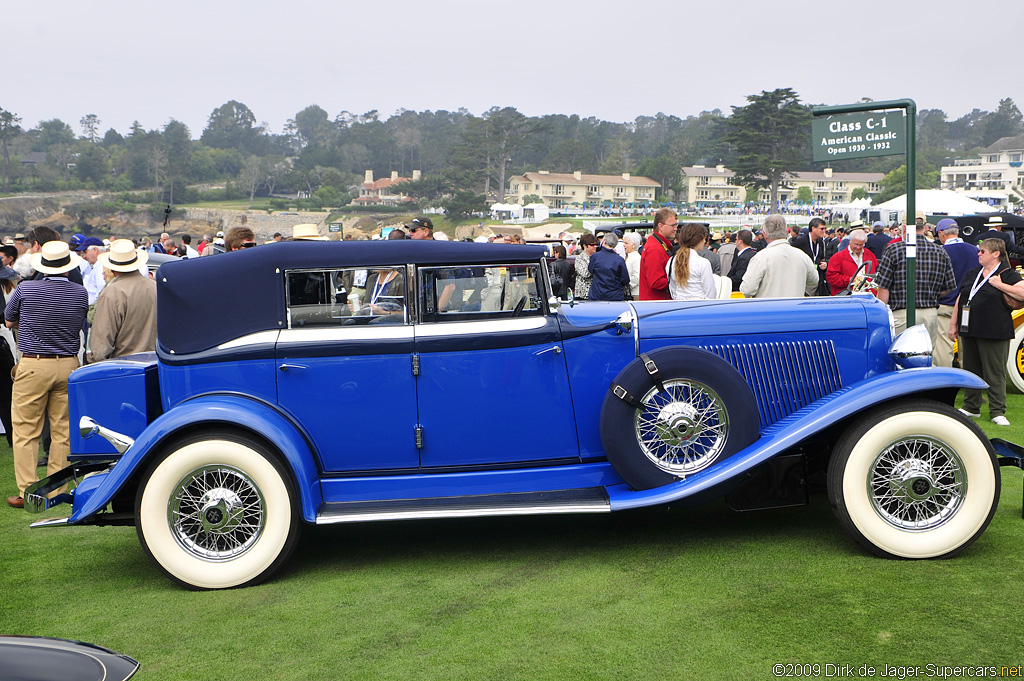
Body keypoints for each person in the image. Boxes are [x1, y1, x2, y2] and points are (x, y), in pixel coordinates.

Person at [5, 240, 89, 509]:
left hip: (34, 363)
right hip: (67, 363)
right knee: (63, 431)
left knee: (26, 430)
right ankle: (55, 490)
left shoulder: (26, 288)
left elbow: (9, 320)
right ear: (67, 266)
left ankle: (28, 490)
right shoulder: (80, 293)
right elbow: (78, 322)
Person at [950, 238, 1024, 426]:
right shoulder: (973, 272)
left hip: (994, 330)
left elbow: (1022, 293)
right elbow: (961, 298)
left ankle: (997, 411)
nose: (979, 254)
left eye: (982, 251)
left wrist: (999, 284)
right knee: (971, 370)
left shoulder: (1006, 273)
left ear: (995, 253)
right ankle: (971, 406)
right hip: (970, 328)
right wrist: (953, 324)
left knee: (994, 372)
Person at [875, 216, 956, 339]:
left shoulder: (893, 249)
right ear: (925, 228)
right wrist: (930, 294)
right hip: (930, 314)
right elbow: (949, 287)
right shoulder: (940, 251)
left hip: (901, 313)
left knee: (899, 356)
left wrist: (880, 316)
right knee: (926, 357)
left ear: (903, 228)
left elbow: (883, 288)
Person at [88, 240, 157, 363]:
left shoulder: (112, 293)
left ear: (112, 268)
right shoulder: (155, 287)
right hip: (155, 364)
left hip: (123, 366)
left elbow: (101, 345)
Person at [740, 215, 818, 299]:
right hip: (795, 309)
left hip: (768, 309)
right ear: (785, 231)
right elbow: (814, 280)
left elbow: (747, 290)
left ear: (764, 233)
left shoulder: (760, 258)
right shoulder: (802, 256)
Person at [935, 219, 979, 367]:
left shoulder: (940, 252)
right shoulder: (975, 251)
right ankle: (971, 384)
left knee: (943, 348)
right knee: (967, 349)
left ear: (941, 234)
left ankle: (944, 382)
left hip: (946, 305)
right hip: (969, 305)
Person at [667, 223, 716, 301]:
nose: (704, 241)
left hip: (678, 305)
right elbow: (711, 293)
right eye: (704, 238)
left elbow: (672, 288)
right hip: (699, 306)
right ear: (698, 239)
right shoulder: (703, 263)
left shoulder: (671, 261)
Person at [639, 208, 678, 300]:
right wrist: (680, 280)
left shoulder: (658, 244)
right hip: (656, 306)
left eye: (676, 225)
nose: (676, 229)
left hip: (656, 304)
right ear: (660, 226)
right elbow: (656, 282)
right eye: (673, 225)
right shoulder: (655, 248)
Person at [825, 229, 877, 295]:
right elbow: (831, 278)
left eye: (861, 245)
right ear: (850, 241)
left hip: (867, 296)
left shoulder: (869, 255)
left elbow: (877, 273)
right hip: (846, 297)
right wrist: (850, 280)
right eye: (856, 244)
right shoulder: (838, 257)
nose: (858, 247)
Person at [792, 217, 834, 296]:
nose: (824, 231)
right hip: (804, 281)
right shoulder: (801, 241)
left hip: (818, 278)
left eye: (825, 228)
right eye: (821, 229)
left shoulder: (820, 242)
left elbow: (821, 258)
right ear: (813, 228)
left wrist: (825, 264)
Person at [587, 232, 630, 301]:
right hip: (615, 295)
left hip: (597, 294)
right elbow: (625, 279)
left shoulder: (595, 257)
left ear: (604, 241)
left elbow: (591, 270)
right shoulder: (619, 260)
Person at [76, 237, 106, 305]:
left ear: (95, 250)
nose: (84, 256)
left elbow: (101, 291)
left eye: (85, 252)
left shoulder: (101, 267)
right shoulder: (98, 265)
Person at [574, 232, 598, 300]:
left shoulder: (597, 257)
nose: (594, 247)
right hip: (582, 295)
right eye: (592, 245)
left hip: (595, 294)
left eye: (596, 244)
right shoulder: (580, 259)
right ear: (584, 246)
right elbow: (585, 274)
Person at [622, 232, 642, 299]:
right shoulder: (627, 257)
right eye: (624, 243)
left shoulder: (636, 258)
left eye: (626, 243)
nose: (623, 245)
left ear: (634, 245)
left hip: (634, 294)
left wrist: (624, 285)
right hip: (628, 293)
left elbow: (637, 277)